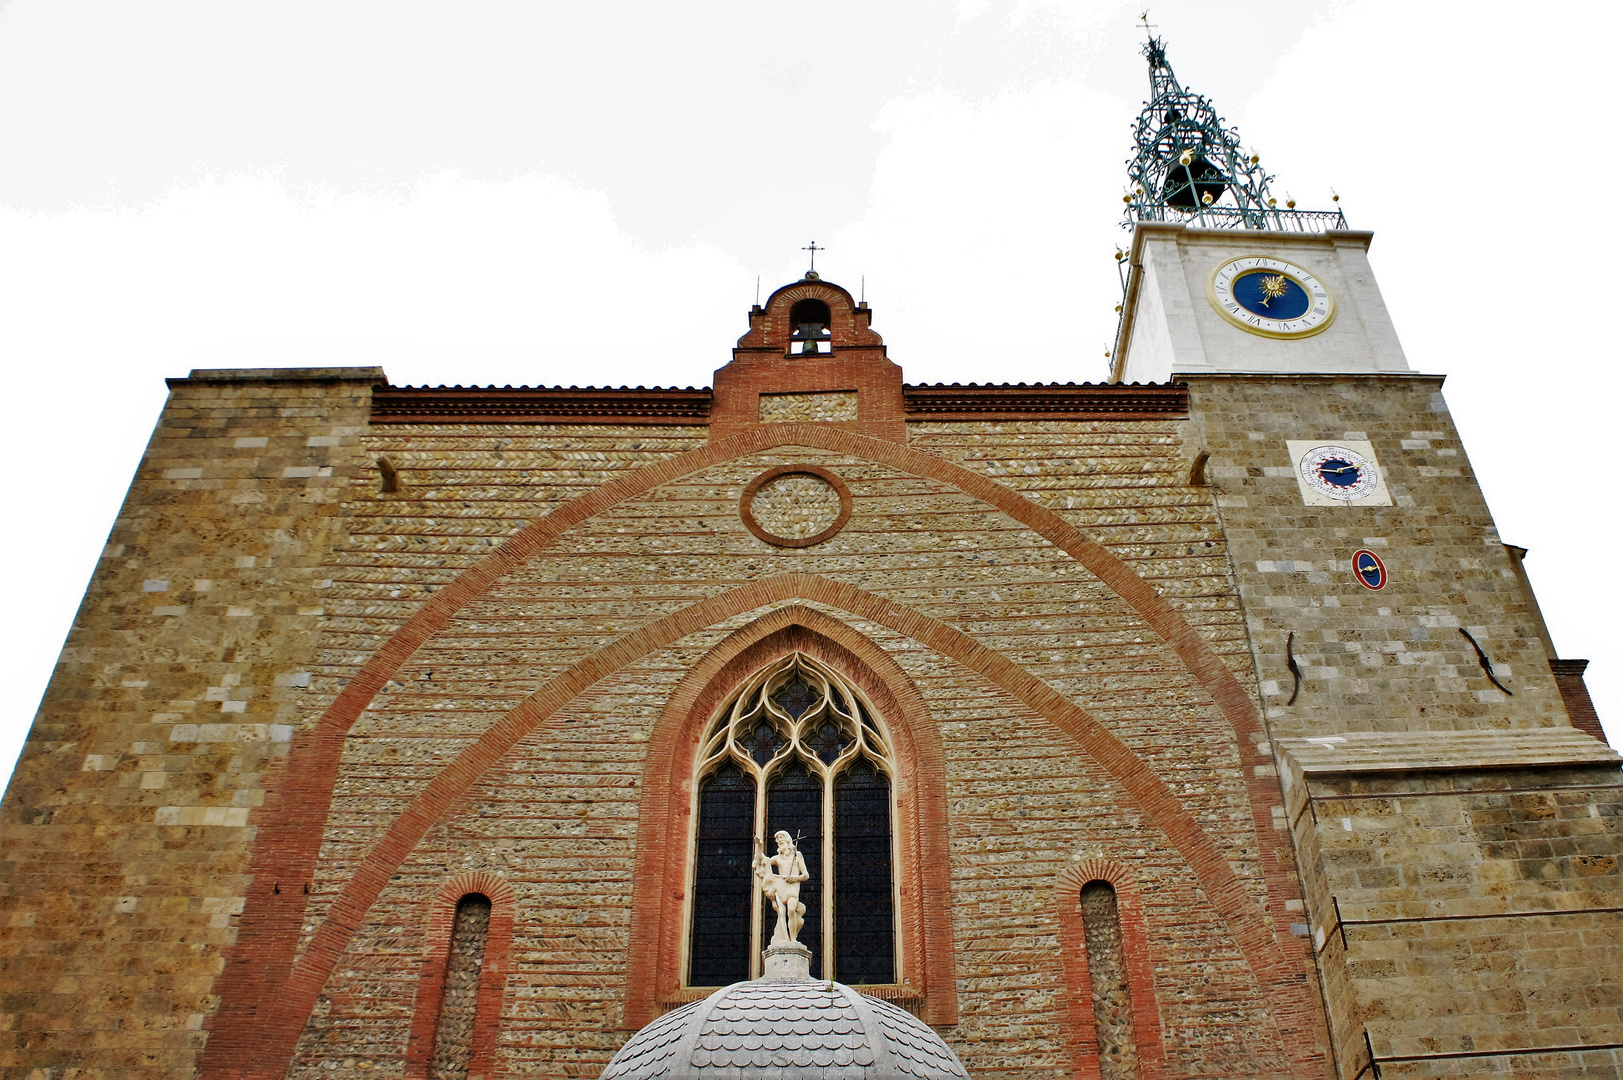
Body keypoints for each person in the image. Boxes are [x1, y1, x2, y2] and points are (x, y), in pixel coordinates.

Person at [754, 830, 809, 945]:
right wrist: (759, 846)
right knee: (781, 913)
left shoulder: (797, 856)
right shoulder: (777, 859)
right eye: (778, 842)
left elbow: (806, 875)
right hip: (780, 888)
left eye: (781, 840)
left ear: (788, 841)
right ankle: (785, 937)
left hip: (792, 888)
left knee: (791, 909)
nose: (779, 842)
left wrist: (796, 878)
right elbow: (761, 860)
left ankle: (793, 938)